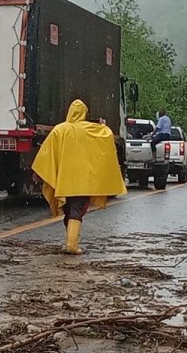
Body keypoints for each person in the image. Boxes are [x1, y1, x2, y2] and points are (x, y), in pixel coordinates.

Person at [31, 99, 127, 255]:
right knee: (76, 211)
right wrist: (102, 125)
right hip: (83, 180)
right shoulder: (91, 130)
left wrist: (39, 174)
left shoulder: (59, 130)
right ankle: (71, 244)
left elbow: (47, 155)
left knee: (69, 211)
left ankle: (70, 241)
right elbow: (107, 136)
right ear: (84, 113)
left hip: (64, 180)